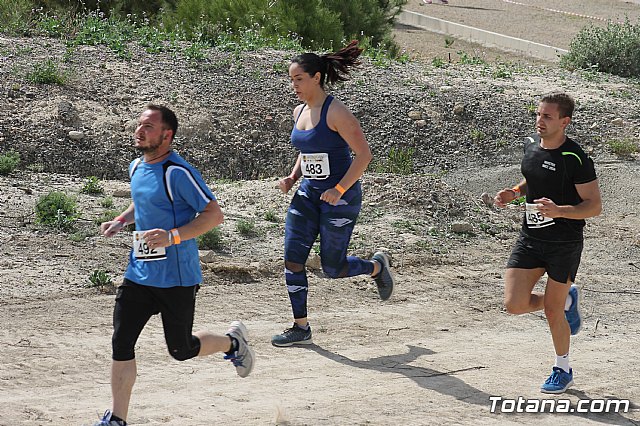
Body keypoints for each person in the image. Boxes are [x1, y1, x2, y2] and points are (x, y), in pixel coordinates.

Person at [94, 105, 255, 426]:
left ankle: (233, 342)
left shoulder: (177, 172)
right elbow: (143, 202)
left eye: (149, 127)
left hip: (176, 278)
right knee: (121, 340)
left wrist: (172, 236)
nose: (139, 131)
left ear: (167, 135)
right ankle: (117, 418)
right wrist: (122, 220)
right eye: (139, 125)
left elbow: (214, 215)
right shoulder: (137, 166)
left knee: (181, 350)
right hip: (139, 271)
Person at [271, 40, 396, 347]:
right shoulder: (299, 111)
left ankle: (377, 267)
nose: (294, 85)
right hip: (307, 196)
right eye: (291, 80)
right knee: (292, 259)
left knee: (332, 268)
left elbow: (364, 156)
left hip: (340, 199)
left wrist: (338, 189)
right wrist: (293, 176)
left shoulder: (337, 112)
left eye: (299, 79)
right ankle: (301, 327)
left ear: (316, 78)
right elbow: (308, 150)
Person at [494, 92, 602, 394]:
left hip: (564, 243)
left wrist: (560, 211)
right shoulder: (531, 147)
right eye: (538, 115)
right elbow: (535, 177)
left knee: (552, 313)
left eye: (547, 117)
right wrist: (514, 192)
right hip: (530, 238)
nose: (539, 121)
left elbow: (594, 206)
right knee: (514, 305)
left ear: (564, 122)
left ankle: (562, 368)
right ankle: (567, 299)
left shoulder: (575, 158)